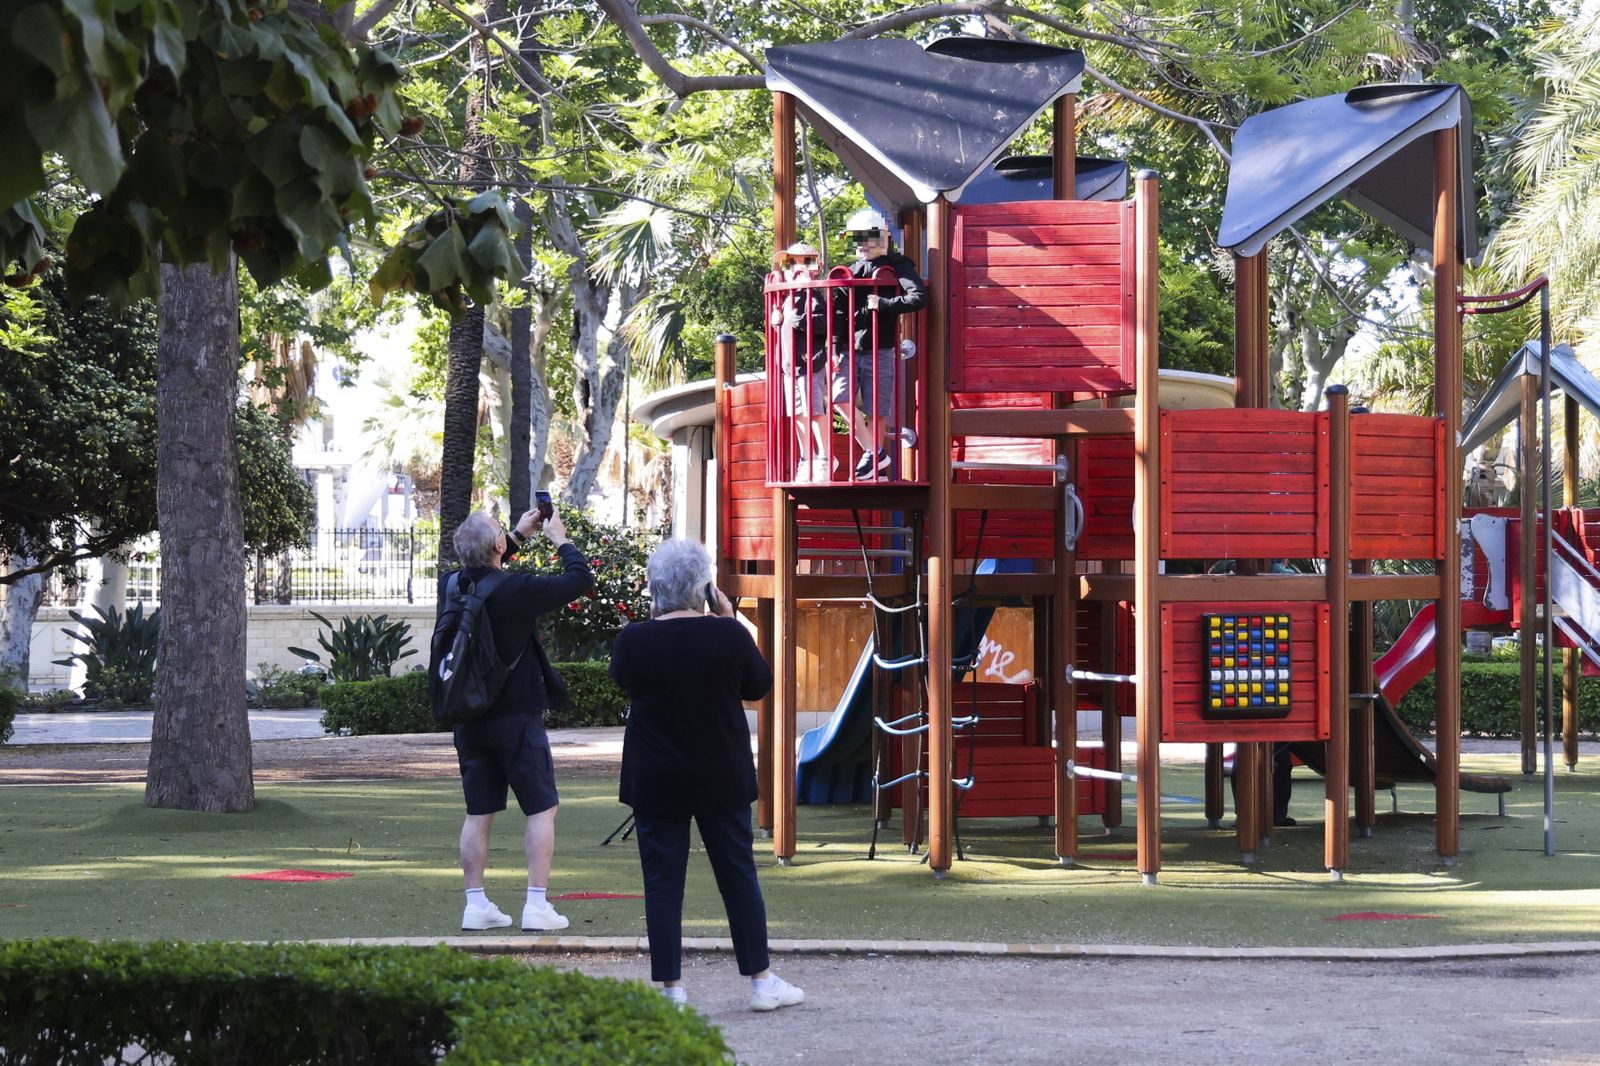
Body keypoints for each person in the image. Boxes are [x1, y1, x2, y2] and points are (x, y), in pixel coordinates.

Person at [609, 538, 804, 1012]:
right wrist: (729, 618)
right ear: (705, 588)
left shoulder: (633, 640)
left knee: (662, 883)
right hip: (721, 775)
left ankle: (671, 990)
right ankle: (760, 981)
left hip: (657, 779)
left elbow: (622, 680)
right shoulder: (728, 635)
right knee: (738, 876)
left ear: (655, 588)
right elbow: (759, 685)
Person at [436, 507, 594, 932]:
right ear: (498, 545)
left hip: (468, 715)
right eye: (501, 532)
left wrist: (518, 535)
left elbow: (485, 572)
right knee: (541, 807)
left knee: (478, 810)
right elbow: (580, 579)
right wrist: (560, 539)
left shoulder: (450, 584)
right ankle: (536, 905)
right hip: (517, 716)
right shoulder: (518, 589)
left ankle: (475, 905)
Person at [830, 208, 927, 478]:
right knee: (839, 398)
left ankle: (874, 462)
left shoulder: (897, 265)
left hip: (880, 347)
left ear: (883, 238)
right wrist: (835, 348)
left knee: (877, 409)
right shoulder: (849, 271)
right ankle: (875, 453)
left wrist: (883, 304)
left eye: (868, 237)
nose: (863, 245)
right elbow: (839, 312)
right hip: (849, 348)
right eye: (857, 238)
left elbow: (918, 297)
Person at [769, 242, 832, 481]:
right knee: (798, 414)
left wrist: (797, 320)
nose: (794, 268)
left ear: (814, 267)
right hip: (790, 366)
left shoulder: (812, 294)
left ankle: (824, 457)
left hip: (808, 365)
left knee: (814, 411)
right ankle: (807, 458)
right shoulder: (789, 297)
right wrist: (778, 320)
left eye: (802, 262)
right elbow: (786, 328)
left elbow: (823, 325)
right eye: (790, 263)